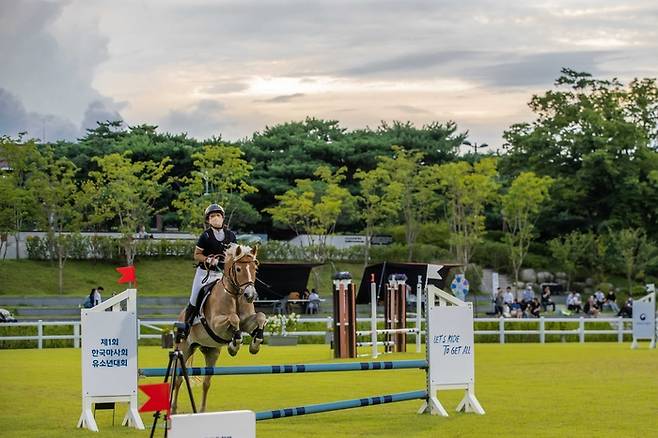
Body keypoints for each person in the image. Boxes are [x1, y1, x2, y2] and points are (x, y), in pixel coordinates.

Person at [183, 204, 237, 336]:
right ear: (208, 220)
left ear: (223, 218)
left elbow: (234, 254)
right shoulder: (205, 236)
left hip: (222, 274)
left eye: (218, 215)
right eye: (212, 216)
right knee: (194, 298)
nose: (216, 218)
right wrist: (208, 259)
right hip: (205, 274)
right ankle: (186, 326)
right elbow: (197, 255)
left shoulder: (230, 235)